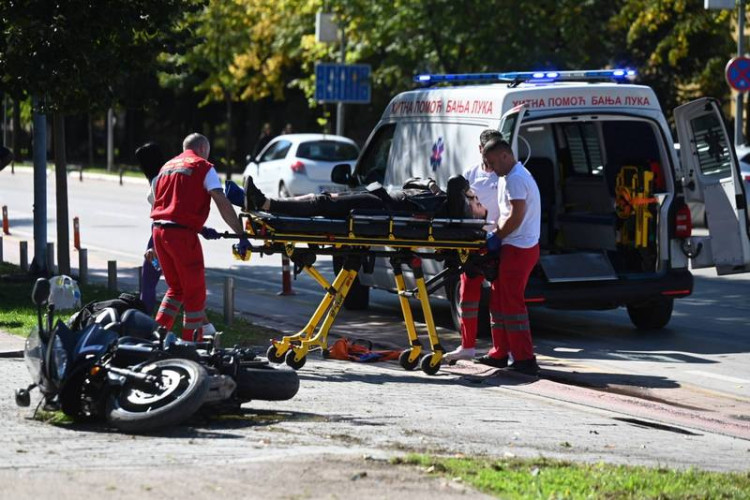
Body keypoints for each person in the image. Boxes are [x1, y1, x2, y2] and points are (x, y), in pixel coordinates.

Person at [150, 133, 251, 341]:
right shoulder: (203, 166)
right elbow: (221, 200)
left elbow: (159, 203)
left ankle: (154, 337)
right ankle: (190, 345)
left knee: (176, 289)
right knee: (194, 293)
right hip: (181, 236)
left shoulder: (166, 167)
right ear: (204, 148)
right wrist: (241, 234)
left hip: (159, 232)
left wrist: (199, 227)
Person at [476, 137, 541, 375]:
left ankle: (524, 358)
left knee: (512, 303)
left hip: (518, 246)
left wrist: (498, 236)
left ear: (505, 155)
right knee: (499, 300)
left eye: (493, 162)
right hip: (515, 245)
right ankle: (500, 352)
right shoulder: (509, 176)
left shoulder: (515, 178)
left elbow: (516, 215)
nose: (491, 168)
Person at [444, 129, 503, 363]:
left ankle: (500, 349)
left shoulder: (504, 175)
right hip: (474, 242)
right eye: (486, 150)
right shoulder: (470, 174)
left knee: (498, 299)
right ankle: (467, 346)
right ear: (480, 149)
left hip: (498, 241)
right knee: (467, 295)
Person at [235, 174, 488, 220]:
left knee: (325, 202)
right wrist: (431, 184)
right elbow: (410, 182)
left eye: (477, 204)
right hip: (380, 199)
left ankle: (263, 202)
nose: (474, 201)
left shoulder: (456, 211)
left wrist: (468, 191)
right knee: (323, 199)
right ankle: (264, 202)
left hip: (382, 206)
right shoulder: (444, 199)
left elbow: (456, 181)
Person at [135, 142, 165, 314]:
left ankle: (144, 318)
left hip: (157, 236)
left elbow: (161, 213)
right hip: (161, 234)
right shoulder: (165, 176)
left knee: (148, 279)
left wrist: (153, 247)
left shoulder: (156, 180)